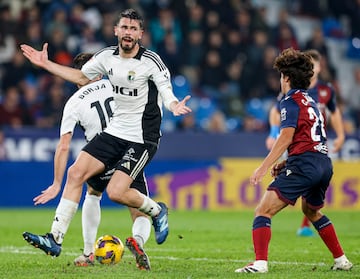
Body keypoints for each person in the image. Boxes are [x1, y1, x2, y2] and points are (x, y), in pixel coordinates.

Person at [21, 8, 191, 267]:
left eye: (133, 29)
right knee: (76, 172)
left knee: (115, 192)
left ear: (141, 34)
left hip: (142, 136)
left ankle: (158, 210)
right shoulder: (106, 57)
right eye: (124, 27)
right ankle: (55, 238)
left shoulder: (151, 61)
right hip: (115, 131)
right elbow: (80, 76)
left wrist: (174, 104)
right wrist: (46, 64)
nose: (128, 33)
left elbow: (166, 90)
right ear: (116, 30)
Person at [236, 48, 352, 273]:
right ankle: (341, 260)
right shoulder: (311, 101)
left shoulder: (289, 102)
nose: (281, 80)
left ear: (286, 78)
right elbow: (307, 139)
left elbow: (286, 137)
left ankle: (260, 264)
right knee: (312, 212)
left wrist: (263, 167)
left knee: (263, 211)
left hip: (306, 164)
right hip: (323, 163)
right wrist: (287, 163)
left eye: (281, 75)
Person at [32, 52, 153, 269]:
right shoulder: (115, 84)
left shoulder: (74, 101)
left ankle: (86, 251)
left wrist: (56, 184)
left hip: (100, 155)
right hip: (129, 150)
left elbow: (64, 146)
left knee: (93, 193)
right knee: (138, 210)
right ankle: (139, 242)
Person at [265, 49, 345, 237]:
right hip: (306, 147)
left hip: (314, 143)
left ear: (319, 68)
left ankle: (304, 225)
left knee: (265, 209)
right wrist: (272, 132)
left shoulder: (324, 91)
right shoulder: (294, 94)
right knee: (310, 194)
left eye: (317, 64)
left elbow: (335, 113)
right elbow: (275, 112)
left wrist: (341, 135)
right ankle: (335, 254)